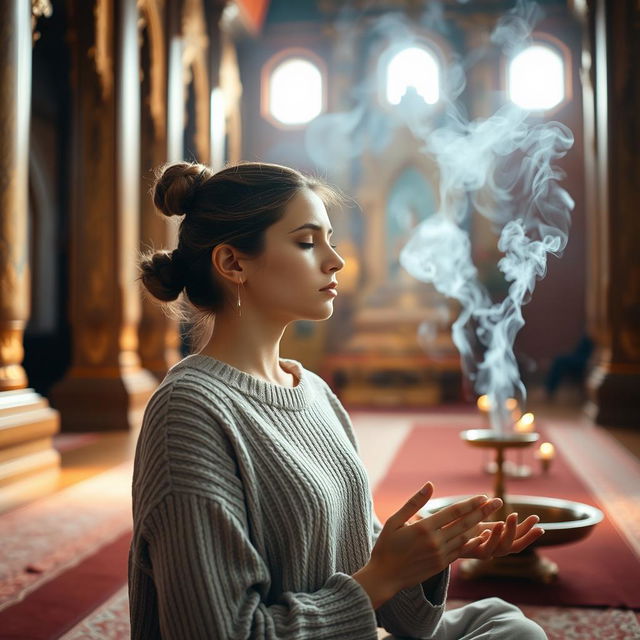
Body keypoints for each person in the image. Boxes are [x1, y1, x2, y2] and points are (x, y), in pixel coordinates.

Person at [128, 161, 547, 639]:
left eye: (329, 238)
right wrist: (382, 577)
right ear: (233, 263)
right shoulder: (189, 411)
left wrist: (429, 553)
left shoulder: (313, 391)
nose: (336, 260)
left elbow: (388, 598)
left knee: (500, 619)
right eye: (307, 242)